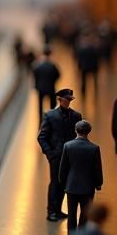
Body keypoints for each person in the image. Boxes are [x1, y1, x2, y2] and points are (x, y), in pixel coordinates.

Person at [38, 88, 81, 221]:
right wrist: (50, 154)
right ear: (60, 99)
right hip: (56, 156)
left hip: (70, 156)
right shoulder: (50, 115)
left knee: (64, 183)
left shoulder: (76, 116)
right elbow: (42, 137)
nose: (68, 102)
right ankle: (51, 211)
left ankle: (58, 210)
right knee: (55, 183)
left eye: (70, 100)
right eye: (66, 99)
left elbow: (78, 136)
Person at [59, 120, 103, 234]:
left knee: (71, 215)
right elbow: (97, 169)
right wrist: (98, 183)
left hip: (71, 186)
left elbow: (63, 168)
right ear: (89, 132)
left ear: (75, 130)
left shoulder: (68, 146)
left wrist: (63, 182)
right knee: (85, 215)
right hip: (88, 188)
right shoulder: (94, 148)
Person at [31, 46, 61, 116]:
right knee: (53, 104)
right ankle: (52, 116)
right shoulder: (52, 65)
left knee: (40, 104)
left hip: (41, 88)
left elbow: (35, 74)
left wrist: (36, 85)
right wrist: (53, 82)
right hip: (51, 87)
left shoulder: (38, 65)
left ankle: (40, 117)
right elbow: (58, 75)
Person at [75, 34, 100, 101]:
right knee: (94, 81)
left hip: (84, 67)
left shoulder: (81, 49)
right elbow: (97, 58)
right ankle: (95, 92)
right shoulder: (94, 49)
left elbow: (79, 60)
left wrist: (79, 68)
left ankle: (83, 94)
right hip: (93, 67)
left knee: (84, 82)